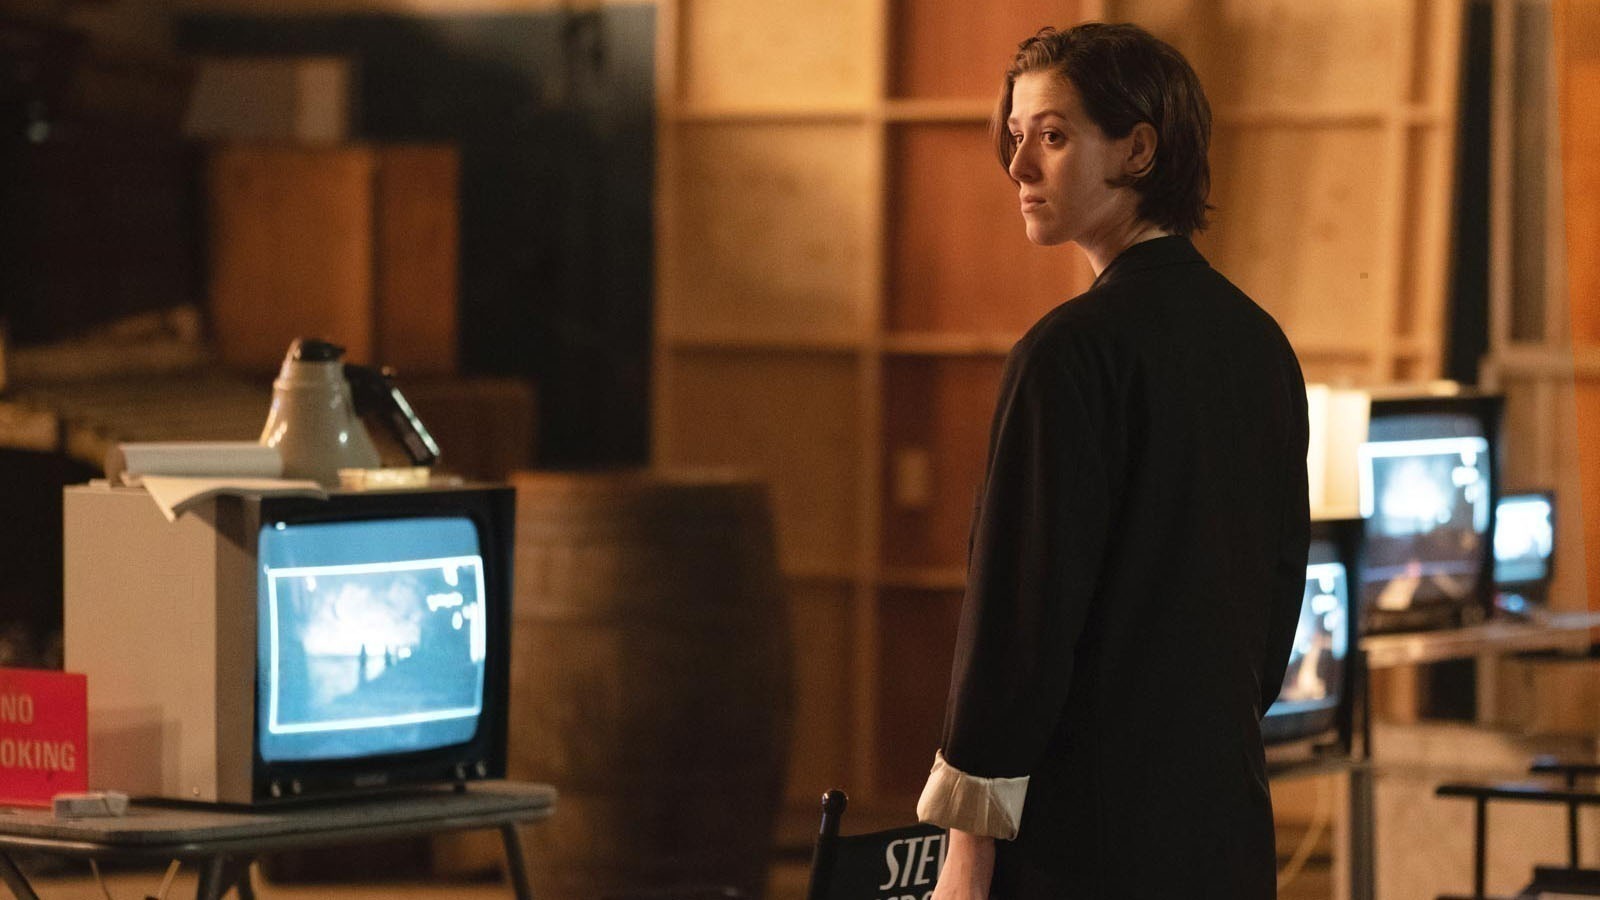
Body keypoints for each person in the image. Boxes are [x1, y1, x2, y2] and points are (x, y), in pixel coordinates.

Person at [915, 23, 1310, 900]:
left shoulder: (1068, 353)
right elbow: (1277, 601)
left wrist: (967, 849)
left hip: (1084, 844)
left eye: (1052, 137)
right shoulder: (1261, 344)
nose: (1019, 166)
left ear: (1138, 149)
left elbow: (1018, 618)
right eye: (1015, 136)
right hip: (1225, 828)